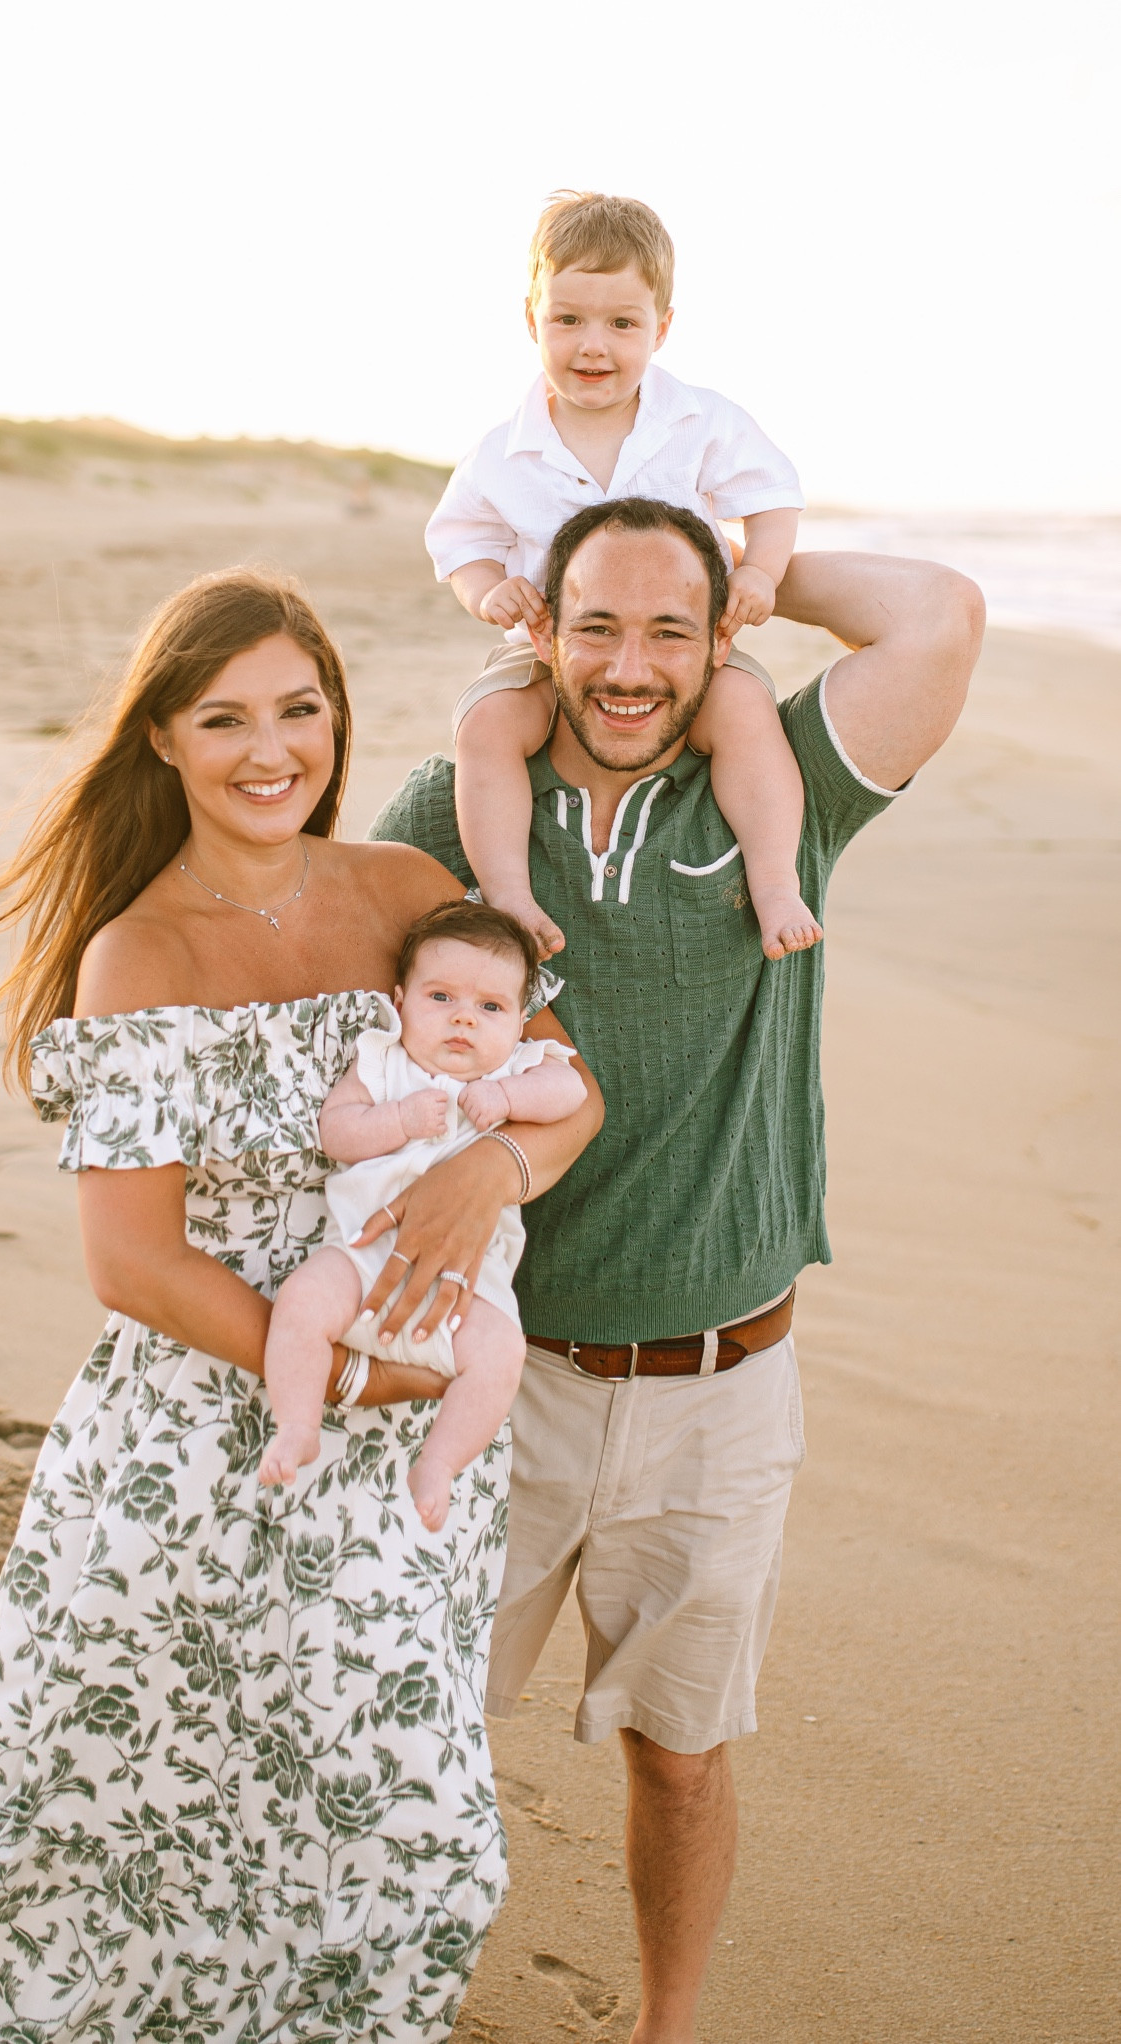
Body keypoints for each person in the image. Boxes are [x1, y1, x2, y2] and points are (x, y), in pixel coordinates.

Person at [0, 569, 602, 2043]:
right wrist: (342, 1384)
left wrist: (493, 1174)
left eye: (298, 708)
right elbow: (132, 1264)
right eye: (223, 717)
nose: (269, 748)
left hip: (409, 1455)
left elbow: (562, 1086)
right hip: (204, 1447)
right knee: (92, 1811)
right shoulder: (136, 955)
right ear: (160, 737)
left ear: (336, 716)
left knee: (395, 1836)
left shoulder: (406, 893)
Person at [372, 498, 984, 2044]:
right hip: (490, 1381)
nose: (628, 665)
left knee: (681, 1753)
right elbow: (325, 981)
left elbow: (935, 615)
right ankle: (365, 2003)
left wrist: (734, 549)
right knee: (396, 1732)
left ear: (722, 638)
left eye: (669, 628)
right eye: (593, 624)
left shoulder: (776, 788)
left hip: (722, 1387)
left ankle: (663, 2031)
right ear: (540, 630)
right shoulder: (457, 811)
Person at [427, 188, 820, 963]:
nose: (592, 345)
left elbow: (770, 498)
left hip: (680, 645)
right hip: (549, 648)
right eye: (567, 319)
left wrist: (762, 575)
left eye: (621, 323)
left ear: (660, 328)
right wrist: (486, 590)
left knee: (743, 708)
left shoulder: (700, 421)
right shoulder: (502, 451)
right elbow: (459, 539)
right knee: (487, 726)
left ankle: (774, 881)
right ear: (531, 319)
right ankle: (506, 888)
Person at [259, 898, 587, 1529]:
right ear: (400, 1000)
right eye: (442, 998)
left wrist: (508, 1094)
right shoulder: (384, 1063)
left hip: (467, 1285)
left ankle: (438, 1462)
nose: (464, 1019)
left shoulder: (519, 1068)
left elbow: (571, 1092)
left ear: (522, 1023)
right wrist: (397, 1120)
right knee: (300, 1304)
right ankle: (296, 1425)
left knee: (500, 1357)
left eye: (491, 1008)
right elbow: (337, 1131)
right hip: (361, 1259)